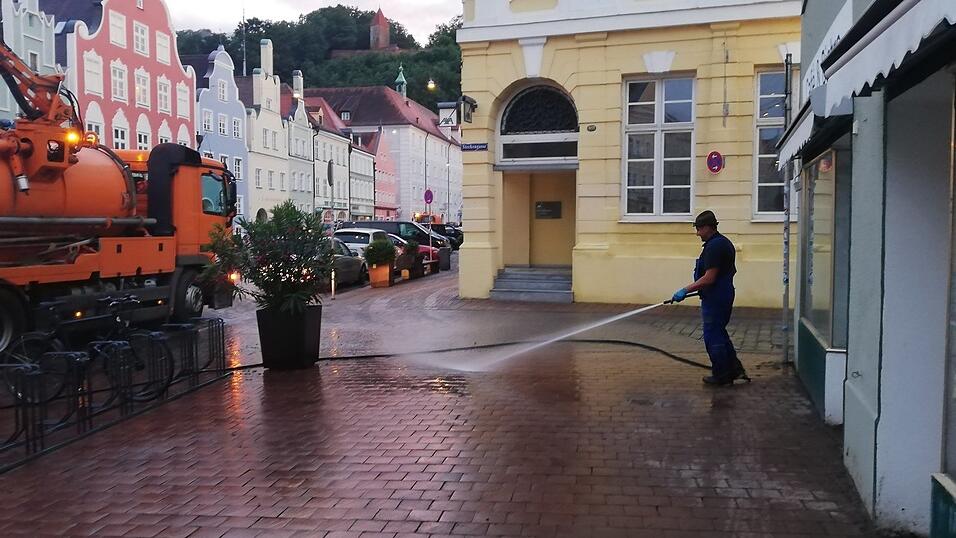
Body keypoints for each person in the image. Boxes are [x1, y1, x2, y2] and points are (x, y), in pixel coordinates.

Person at [671, 210, 750, 386]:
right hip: (720, 294)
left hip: (716, 298)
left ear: (708, 227)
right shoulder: (721, 243)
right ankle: (734, 370)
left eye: (699, 229)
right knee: (719, 334)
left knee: (713, 337)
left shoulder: (715, 246)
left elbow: (709, 277)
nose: (697, 233)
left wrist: (685, 290)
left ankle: (722, 375)